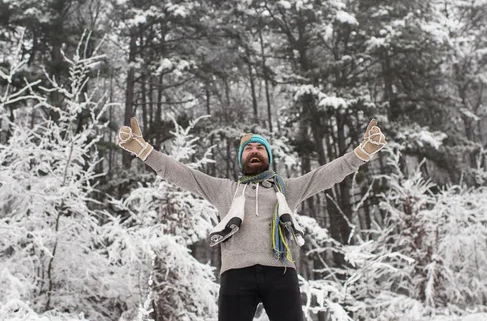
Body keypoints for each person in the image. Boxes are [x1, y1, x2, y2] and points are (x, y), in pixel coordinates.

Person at [117, 117, 386, 321]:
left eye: (260, 148)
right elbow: (180, 173)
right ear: (241, 158)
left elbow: (329, 173)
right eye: (248, 149)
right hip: (236, 275)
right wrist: (142, 150)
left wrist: (363, 152)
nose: (254, 151)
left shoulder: (286, 189)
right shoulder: (226, 190)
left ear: (268, 157)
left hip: (281, 273)